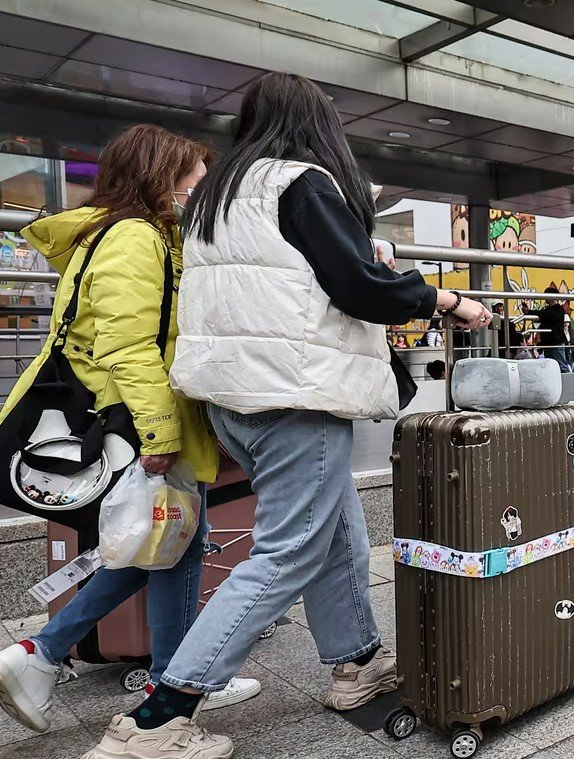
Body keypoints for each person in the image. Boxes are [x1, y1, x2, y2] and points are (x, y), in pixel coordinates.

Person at [80, 73, 494, 759]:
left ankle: (356, 663)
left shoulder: (216, 193)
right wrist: (445, 300)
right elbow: (360, 287)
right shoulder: (302, 183)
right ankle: (157, 718)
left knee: (338, 529)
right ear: (316, 124)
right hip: (295, 396)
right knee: (287, 551)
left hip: (232, 397)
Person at [0, 125, 262, 736]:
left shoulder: (128, 234)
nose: (200, 193)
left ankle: (121, 668)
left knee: (167, 546)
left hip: (139, 414)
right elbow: (128, 344)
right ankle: (145, 674)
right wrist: (162, 433)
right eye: (194, 182)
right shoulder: (133, 237)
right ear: (161, 178)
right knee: (172, 545)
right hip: (137, 419)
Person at [535, 286, 573, 371]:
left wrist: (530, 312)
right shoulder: (549, 310)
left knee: (561, 365)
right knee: (551, 366)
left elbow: (547, 315)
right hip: (549, 342)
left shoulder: (558, 309)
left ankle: (567, 379)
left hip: (556, 342)